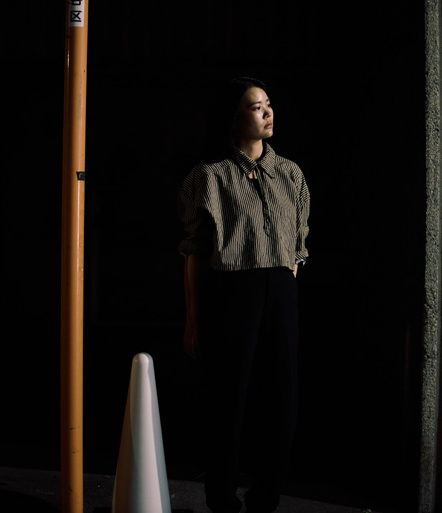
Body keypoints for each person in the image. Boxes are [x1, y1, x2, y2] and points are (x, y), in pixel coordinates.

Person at [177, 77, 310, 513]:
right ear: (234, 119)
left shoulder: (290, 173)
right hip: (232, 293)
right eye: (256, 107)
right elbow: (194, 252)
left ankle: (265, 499)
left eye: (269, 104)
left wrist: (284, 282)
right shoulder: (209, 176)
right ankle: (221, 500)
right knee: (228, 401)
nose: (268, 112)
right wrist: (193, 320)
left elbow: (298, 246)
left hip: (282, 292)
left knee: (282, 400)